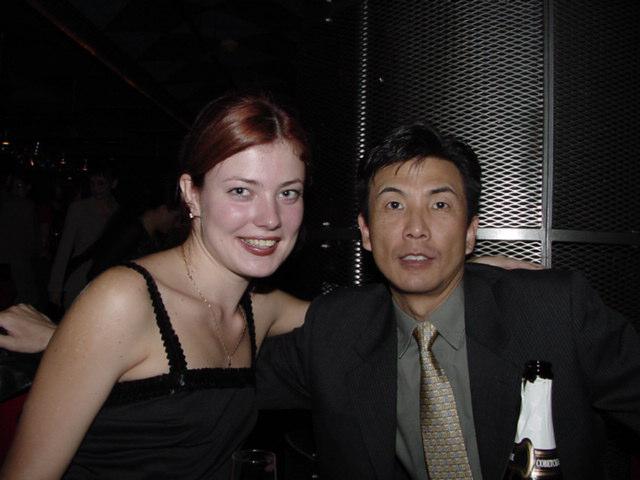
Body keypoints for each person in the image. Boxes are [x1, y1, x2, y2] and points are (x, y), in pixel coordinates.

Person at [256, 123, 640, 479]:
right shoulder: (336, 332)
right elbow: (227, 378)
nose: (416, 229)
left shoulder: (554, 310)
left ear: (471, 231)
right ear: (366, 232)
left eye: (440, 205)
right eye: (394, 205)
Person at [0, 92, 310, 480]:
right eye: (240, 191)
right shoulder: (122, 299)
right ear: (191, 194)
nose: (270, 218)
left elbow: (359, 315)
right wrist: (70, 339)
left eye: (288, 192)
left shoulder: (262, 307)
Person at [47, 162, 120, 310]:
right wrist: (55, 286)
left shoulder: (118, 211)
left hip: (107, 281)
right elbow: (64, 248)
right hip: (80, 277)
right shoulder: (79, 208)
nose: (95, 188)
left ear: (113, 184)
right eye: (92, 183)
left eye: (101, 183)